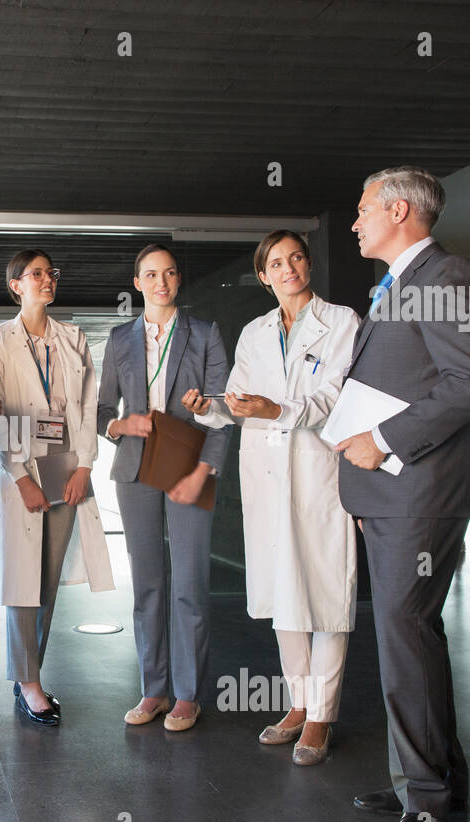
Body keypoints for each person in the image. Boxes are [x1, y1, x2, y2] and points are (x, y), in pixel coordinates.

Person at [338, 167, 470, 822]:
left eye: (363, 209)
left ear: (398, 210)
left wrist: (380, 441)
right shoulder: (400, 284)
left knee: (406, 640)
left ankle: (428, 804)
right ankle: (433, 788)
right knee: (413, 639)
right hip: (396, 495)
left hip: (422, 490)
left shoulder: (445, 274)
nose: (354, 222)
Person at [185, 231, 360, 762]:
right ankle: (298, 705)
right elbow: (237, 400)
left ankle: (322, 716)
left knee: (327, 593)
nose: (288, 269)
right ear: (262, 276)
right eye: (277, 263)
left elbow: (332, 397)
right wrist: (205, 408)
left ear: (308, 264)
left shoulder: (343, 322)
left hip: (318, 472)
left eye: (297, 258)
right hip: (266, 475)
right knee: (286, 593)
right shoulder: (255, 332)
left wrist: (275, 411)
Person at [97, 244, 232, 732]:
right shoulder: (118, 339)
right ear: (138, 283)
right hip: (134, 469)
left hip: (188, 463)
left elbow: (222, 413)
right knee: (148, 584)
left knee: (191, 584)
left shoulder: (204, 334)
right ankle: (153, 689)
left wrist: (205, 471)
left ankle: (188, 695)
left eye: (170, 273)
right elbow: (99, 412)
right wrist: (119, 427)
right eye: (151, 274)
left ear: (178, 280)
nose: (161, 282)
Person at [0, 249, 114, 725]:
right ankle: (29, 682)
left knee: (48, 578)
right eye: (35, 274)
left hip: (65, 463)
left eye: (50, 273)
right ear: (16, 284)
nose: (47, 280)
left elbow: (86, 406)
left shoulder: (73, 337)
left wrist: (85, 467)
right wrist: (19, 476)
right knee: (23, 579)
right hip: (22, 466)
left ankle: (28, 674)